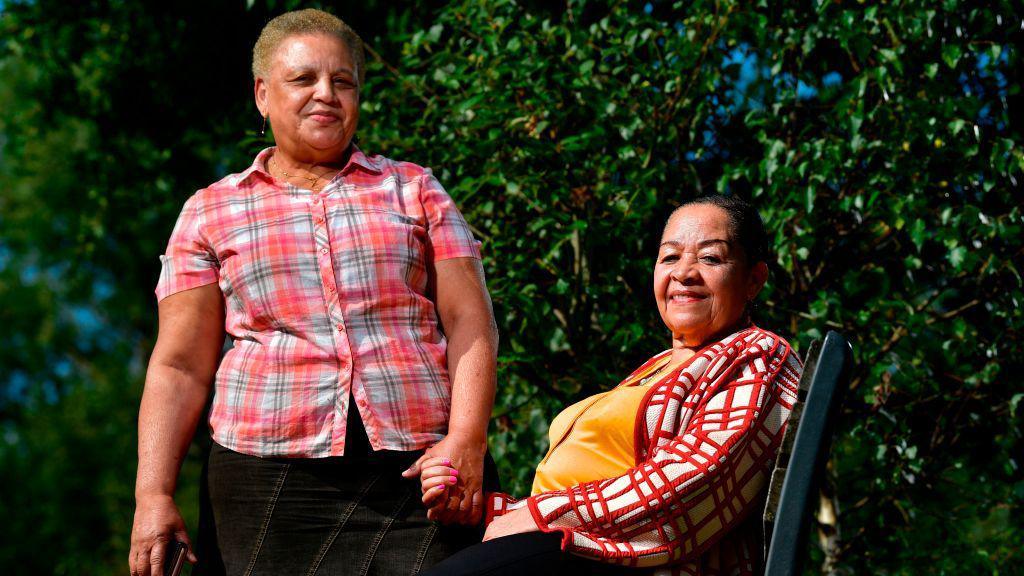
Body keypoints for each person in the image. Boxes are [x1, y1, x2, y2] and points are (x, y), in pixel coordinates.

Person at [128, 9, 498, 576]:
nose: (326, 94)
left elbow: (471, 322)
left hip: (420, 478)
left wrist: (467, 440)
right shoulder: (209, 211)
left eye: (342, 81)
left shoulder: (416, 189)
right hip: (264, 487)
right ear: (262, 94)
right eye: (303, 79)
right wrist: (153, 495)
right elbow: (179, 365)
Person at [414, 195, 803, 575]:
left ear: (754, 279)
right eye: (670, 256)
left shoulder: (759, 353)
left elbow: (692, 482)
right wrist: (475, 502)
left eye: (710, 257)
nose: (684, 272)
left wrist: (537, 515)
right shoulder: (654, 368)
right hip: (560, 544)